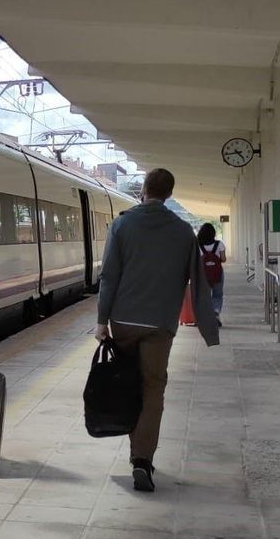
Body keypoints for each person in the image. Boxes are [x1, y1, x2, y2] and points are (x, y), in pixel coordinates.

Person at [95, 169, 219, 492]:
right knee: (153, 389)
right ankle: (142, 460)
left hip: (123, 321)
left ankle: (136, 450)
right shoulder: (182, 232)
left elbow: (108, 276)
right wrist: (208, 327)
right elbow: (196, 280)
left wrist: (101, 320)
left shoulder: (121, 224)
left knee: (129, 384)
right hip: (160, 325)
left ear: (144, 189)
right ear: (169, 194)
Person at [198, 223, 227, 315]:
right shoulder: (220, 244)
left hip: (202, 274)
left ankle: (204, 315)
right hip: (217, 273)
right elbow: (223, 259)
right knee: (217, 294)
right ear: (213, 233)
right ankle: (216, 311)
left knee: (204, 295)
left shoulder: (197, 245)